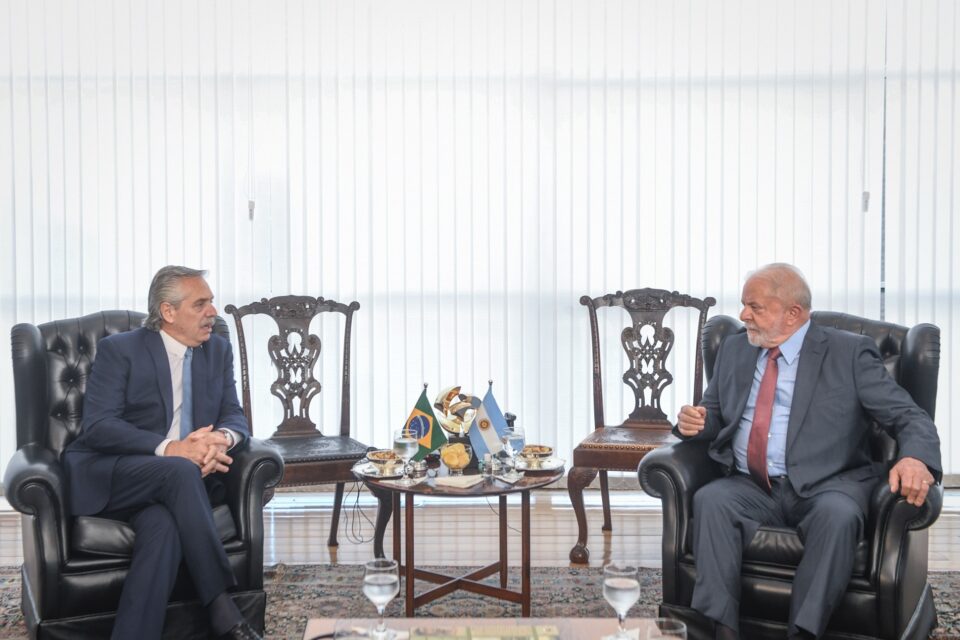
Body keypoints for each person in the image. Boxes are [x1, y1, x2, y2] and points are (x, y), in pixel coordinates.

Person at [675, 263, 941, 640]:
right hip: (751, 484)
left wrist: (915, 457)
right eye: (743, 305)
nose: (743, 315)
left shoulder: (849, 353)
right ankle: (722, 630)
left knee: (838, 517)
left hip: (828, 485)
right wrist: (698, 421)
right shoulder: (736, 348)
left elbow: (908, 415)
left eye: (755, 307)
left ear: (792, 313)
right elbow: (715, 412)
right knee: (711, 500)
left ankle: (803, 632)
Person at [63, 266, 262, 640]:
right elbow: (99, 426)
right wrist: (173, 449)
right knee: (179, 469)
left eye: (211, 302)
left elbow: (234, 414)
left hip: (175, 490)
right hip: (114, 474)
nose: (212, 312)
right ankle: (222, 608)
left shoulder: (217, 350)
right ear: (168, 312)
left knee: (163, 527)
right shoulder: (120, 350)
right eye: (200, 304)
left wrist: (219, 440)